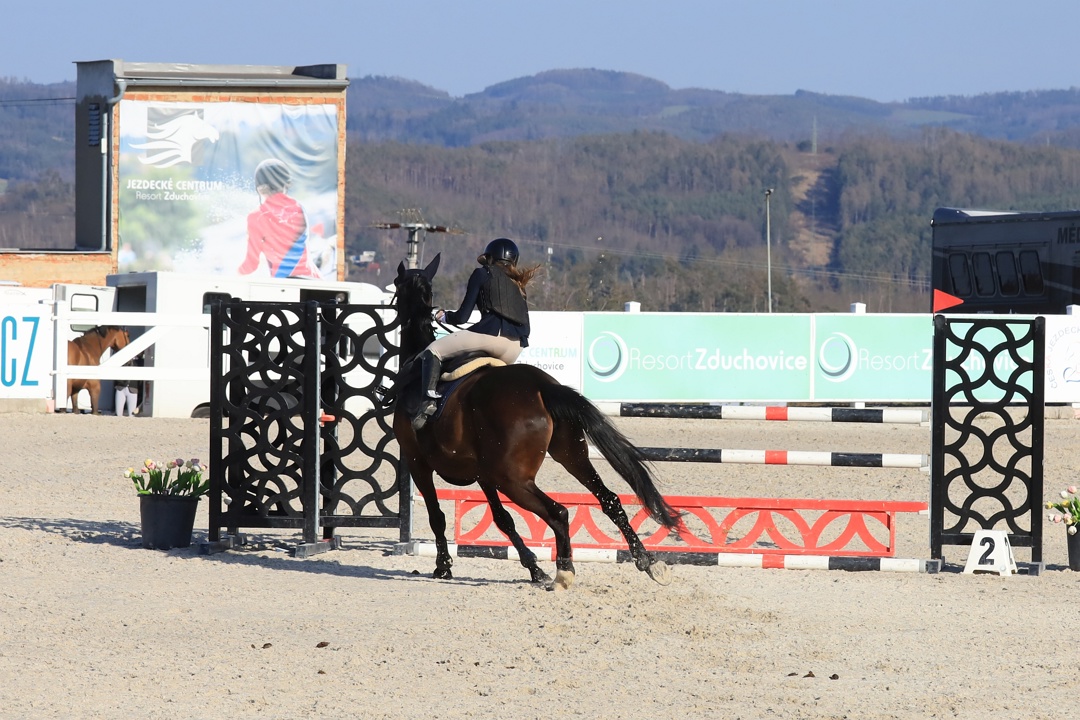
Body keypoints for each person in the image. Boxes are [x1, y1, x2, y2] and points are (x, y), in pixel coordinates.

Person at [411, 237, 541, 430]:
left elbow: (462, 317)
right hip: (515, 348)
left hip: (490, 338)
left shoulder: (482, 273)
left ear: (490, 258)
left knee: (433, 350)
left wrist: (444, 316)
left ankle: (427, 402)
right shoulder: (519, 284)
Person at [238, 158, 321, 279]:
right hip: (313, 280)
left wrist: (236, 273)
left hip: (284, 285)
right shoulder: (300, 208)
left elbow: (251, 265)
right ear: (286, 183)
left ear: (259, 189)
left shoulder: (256, 217)